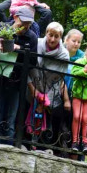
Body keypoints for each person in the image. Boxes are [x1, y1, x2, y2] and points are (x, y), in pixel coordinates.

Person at [0, 6, 38, 142]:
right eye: (23, 23)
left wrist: (20, 49)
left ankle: (8, 147)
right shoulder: (2, 28)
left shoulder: (31, 36)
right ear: (15, 17)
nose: (25, 27)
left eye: (28, 24)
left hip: (17, 82)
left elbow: (33, 62)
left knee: (11, 117)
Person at [33, 22, 70, 152]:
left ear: (60, 37)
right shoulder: (36, 44)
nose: (52, 39)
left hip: (50, 93)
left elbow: (59, 79)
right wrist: (35, 93)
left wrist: (44, 100)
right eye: (50, 35)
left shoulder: (64, 55)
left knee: (46, 123)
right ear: (46, 34)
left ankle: (43, 148)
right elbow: (29, 68)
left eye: (56, 36)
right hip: (32, 86)